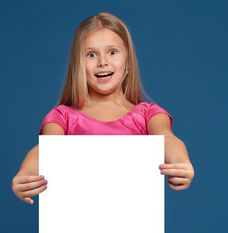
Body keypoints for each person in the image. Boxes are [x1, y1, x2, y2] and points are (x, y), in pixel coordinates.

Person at [12, 12, 194, 205]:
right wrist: (23, 175)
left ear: (128, 61)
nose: (102, 62)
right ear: (79, 65)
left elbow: (166, 138)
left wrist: (181, 162)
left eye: (112, 52)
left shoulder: (149, 115)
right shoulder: (62, 117)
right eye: (91, 54)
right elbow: (46, 150)